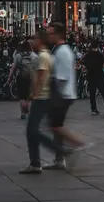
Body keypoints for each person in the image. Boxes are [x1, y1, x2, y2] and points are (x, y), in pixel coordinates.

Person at [20, 32, 76, 174]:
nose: (32, 42)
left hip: (41, 98)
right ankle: (37, 161)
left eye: (34, 39)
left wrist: (30, 99)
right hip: (44, 97)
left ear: (41, 41)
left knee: (33, 131)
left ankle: (56, 153)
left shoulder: (43, 57)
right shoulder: (47, 56)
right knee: (33, 131)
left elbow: (41, 79)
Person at [43, 23, 91, 171]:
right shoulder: (58, 50)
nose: (49, 36)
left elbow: (61, 77)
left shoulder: (62, 52)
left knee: (55, 126)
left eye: (51, 33)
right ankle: (59, 159)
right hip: (61, 94)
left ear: (58, 34)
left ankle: (79, 144)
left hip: (62, 94)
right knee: (55, 126)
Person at [8, 39, 38, 119]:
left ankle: (23, 113)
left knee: (21, 96)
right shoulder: (34, 55)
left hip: (20, 77)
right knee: (28, 94)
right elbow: (36, 68)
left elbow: (13, 68)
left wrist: (9, 77)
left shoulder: (18, 55)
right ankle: (26, 105)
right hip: (30, 76)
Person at [82, 40, 104, 115]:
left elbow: (84, 66)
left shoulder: (87, 55)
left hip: (91, 76)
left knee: (92, 93)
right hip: (99, 75)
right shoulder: (100, 55)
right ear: (98, 47)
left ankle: (94, 109)